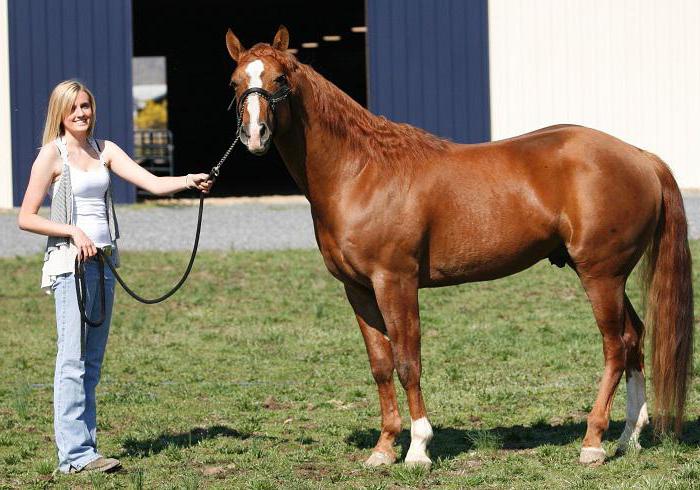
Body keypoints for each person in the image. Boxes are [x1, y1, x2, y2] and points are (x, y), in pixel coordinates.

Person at [17, 79, 212, 474]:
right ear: (61, 112)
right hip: (69, 267)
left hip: (104, 266)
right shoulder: (51, 157)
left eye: (86, 106)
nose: (81, 113)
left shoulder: (104, 150)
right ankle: (73, 457)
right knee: (70, 359)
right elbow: (26, 217)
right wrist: (72, 231)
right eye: (73, 108)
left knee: (91, 362)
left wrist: (188, 180)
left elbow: (152, 183)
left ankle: (85, 450)